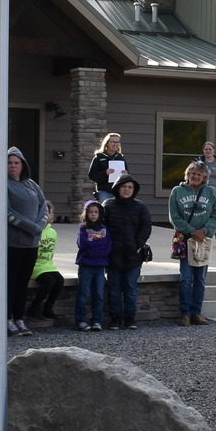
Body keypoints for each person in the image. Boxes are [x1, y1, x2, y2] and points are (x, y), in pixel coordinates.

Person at [168, 159, 216, 325]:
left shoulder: (211, 192)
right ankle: (185, 313)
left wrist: (204, 231)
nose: (195, 176)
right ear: (187, 175)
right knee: (186, 278)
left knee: (200, 279)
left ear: (205, 176)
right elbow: (174, 216)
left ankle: (196, 313)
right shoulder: (177, 191)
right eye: (192, 173)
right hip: (186, 239)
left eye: (199, 174)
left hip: (204, 240)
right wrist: (191, 231)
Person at [5, 147, 50, 338]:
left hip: (31, 244)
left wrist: (39, 225)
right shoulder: (2, 184)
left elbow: (44, 207)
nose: (13, 166)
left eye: (16, 162)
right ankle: (6, 319)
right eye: (9, 162)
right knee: (10, 283)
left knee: (23, 283)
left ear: (23, 165)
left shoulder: (32, 185)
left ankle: (19, 317)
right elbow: (5, 212)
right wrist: (30, 227)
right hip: (12, 243)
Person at [100, 175, 152, 330]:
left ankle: (130, 318)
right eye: (124, 186)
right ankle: (115, 318)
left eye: (130, 187)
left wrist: (138, 244)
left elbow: (146, 227)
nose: (127, 189)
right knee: (114, 288)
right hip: (113, 254)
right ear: (118, 188)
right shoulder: (108, 205)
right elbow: (101, 227)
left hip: (133, 255)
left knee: (130, 288)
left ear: (134, 190)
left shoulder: (140, 207)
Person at [72, 200, 111, 332]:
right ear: (86, 213)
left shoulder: (104, 229)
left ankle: (96, 320)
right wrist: (97, 248)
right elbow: (83, 245)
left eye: (96, 212)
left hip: (100, 267)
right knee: (83, 293)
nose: (93, 214)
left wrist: (94, 246)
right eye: (90, 212)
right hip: (86, 266)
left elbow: (108, 247)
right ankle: (80, 320)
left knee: (98, 295)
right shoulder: (83, 228)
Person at [27, 204, 64, 327]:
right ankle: (34, 308)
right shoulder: (37, 231)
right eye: (50, 213)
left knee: (59, 280)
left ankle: (48, 308)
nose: (53, 215)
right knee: (49, 281)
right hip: (36, 267)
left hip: (48, 265)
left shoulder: (53, 232)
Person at [88, 132, 129, 199]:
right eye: (113, 142)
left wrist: (125, 174)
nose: (115, 144)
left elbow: (128, 175)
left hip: (118, 191)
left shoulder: (120, 158)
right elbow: (92, 175)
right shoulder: (99, 157)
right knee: (104, 208)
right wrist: (105, 173)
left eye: (117, 142)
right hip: (104, 191)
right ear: (107, 143)